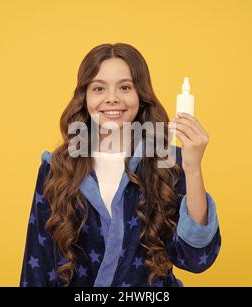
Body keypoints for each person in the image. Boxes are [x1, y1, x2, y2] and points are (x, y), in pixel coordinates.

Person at [20, 43, 221, 287]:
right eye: (99, 88)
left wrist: (193, 168)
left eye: (125, 87)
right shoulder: (56, 168)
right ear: (85, 97)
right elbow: (38, 267)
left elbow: (196, 259)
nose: (112, 98)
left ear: (141, 95)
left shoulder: (167, 161)